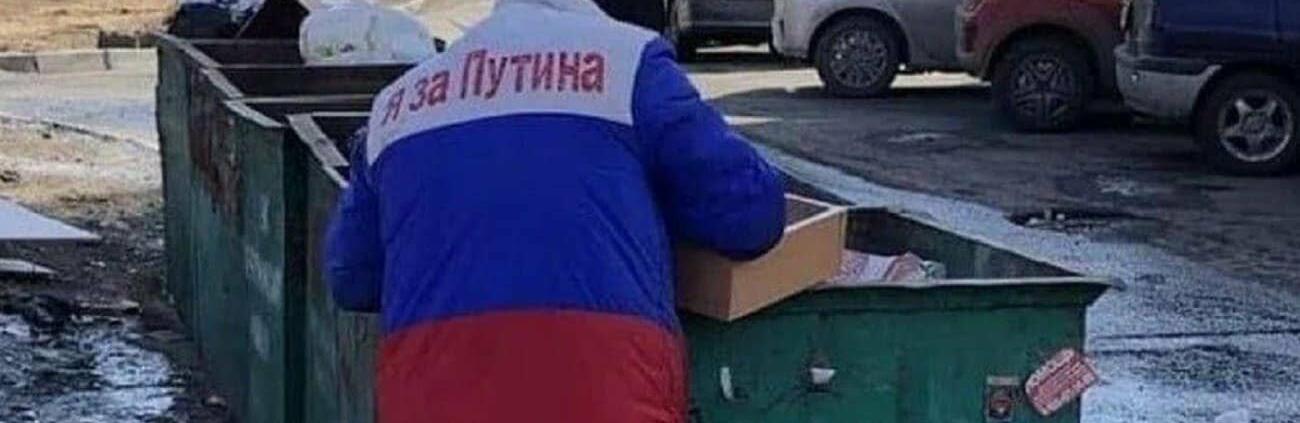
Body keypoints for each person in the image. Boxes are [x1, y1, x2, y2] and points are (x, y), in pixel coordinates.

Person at [325, 0, 786, 421]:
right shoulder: (629, 63)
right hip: (603, 399)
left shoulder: (396, 106)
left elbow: (351, 279)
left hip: (428, 403)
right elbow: (751, 217)